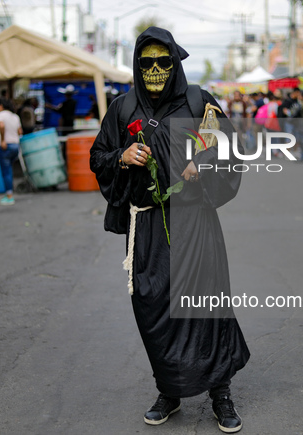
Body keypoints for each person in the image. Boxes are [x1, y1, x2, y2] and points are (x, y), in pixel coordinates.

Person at [90, 27, 249, 434]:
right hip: (147, 226)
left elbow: (229, 149)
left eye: (163, 62)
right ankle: (170, 389)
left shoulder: (198, 102)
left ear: (175, 63)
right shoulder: (123, 108)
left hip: (194, 222)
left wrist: (205, 163)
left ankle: (220, 393)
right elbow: (99, 156)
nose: (156, 70)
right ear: (137, 66)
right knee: (153, 306)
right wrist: (122, 157)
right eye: (147, 63)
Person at [0, 98, 22, 205]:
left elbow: (1, 125)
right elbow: (20, 131)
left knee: (6, 171)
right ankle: (9, 192)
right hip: (15, 145)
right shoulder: (15, 116)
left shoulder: (0, 115)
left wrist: (2, 140)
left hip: (5, 146)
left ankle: (9, 195)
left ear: (0, 106)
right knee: (9, 169)